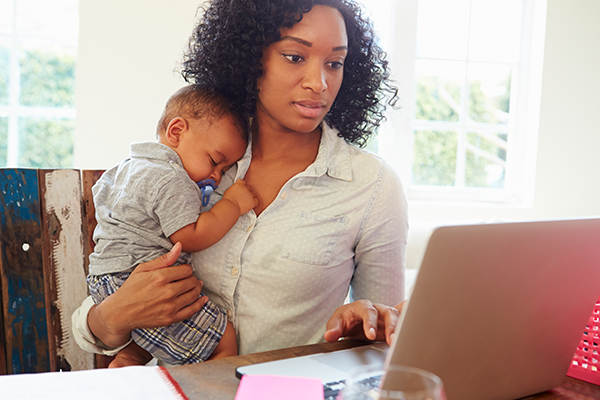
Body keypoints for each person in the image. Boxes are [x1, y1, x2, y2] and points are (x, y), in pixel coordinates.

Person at [72, 0, 408, 361]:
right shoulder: (197, 159)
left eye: (334, 63)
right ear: (252, 58)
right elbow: (100, 308)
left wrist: (358, 330)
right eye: (295, 56)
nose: (319, 83)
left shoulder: (371, 186)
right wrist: (111, 318)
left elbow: (383, 339)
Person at [86, 85, 258, 367]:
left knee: (149, 340)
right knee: (223, 339)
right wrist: (233, 205)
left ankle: (128, 359)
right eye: (215, 161)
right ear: (176, 131)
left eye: (225, 171)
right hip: (137, 279)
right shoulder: (172, 178)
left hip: (106, 279)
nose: (216, 176)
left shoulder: (125, 168)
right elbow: (191, 236)